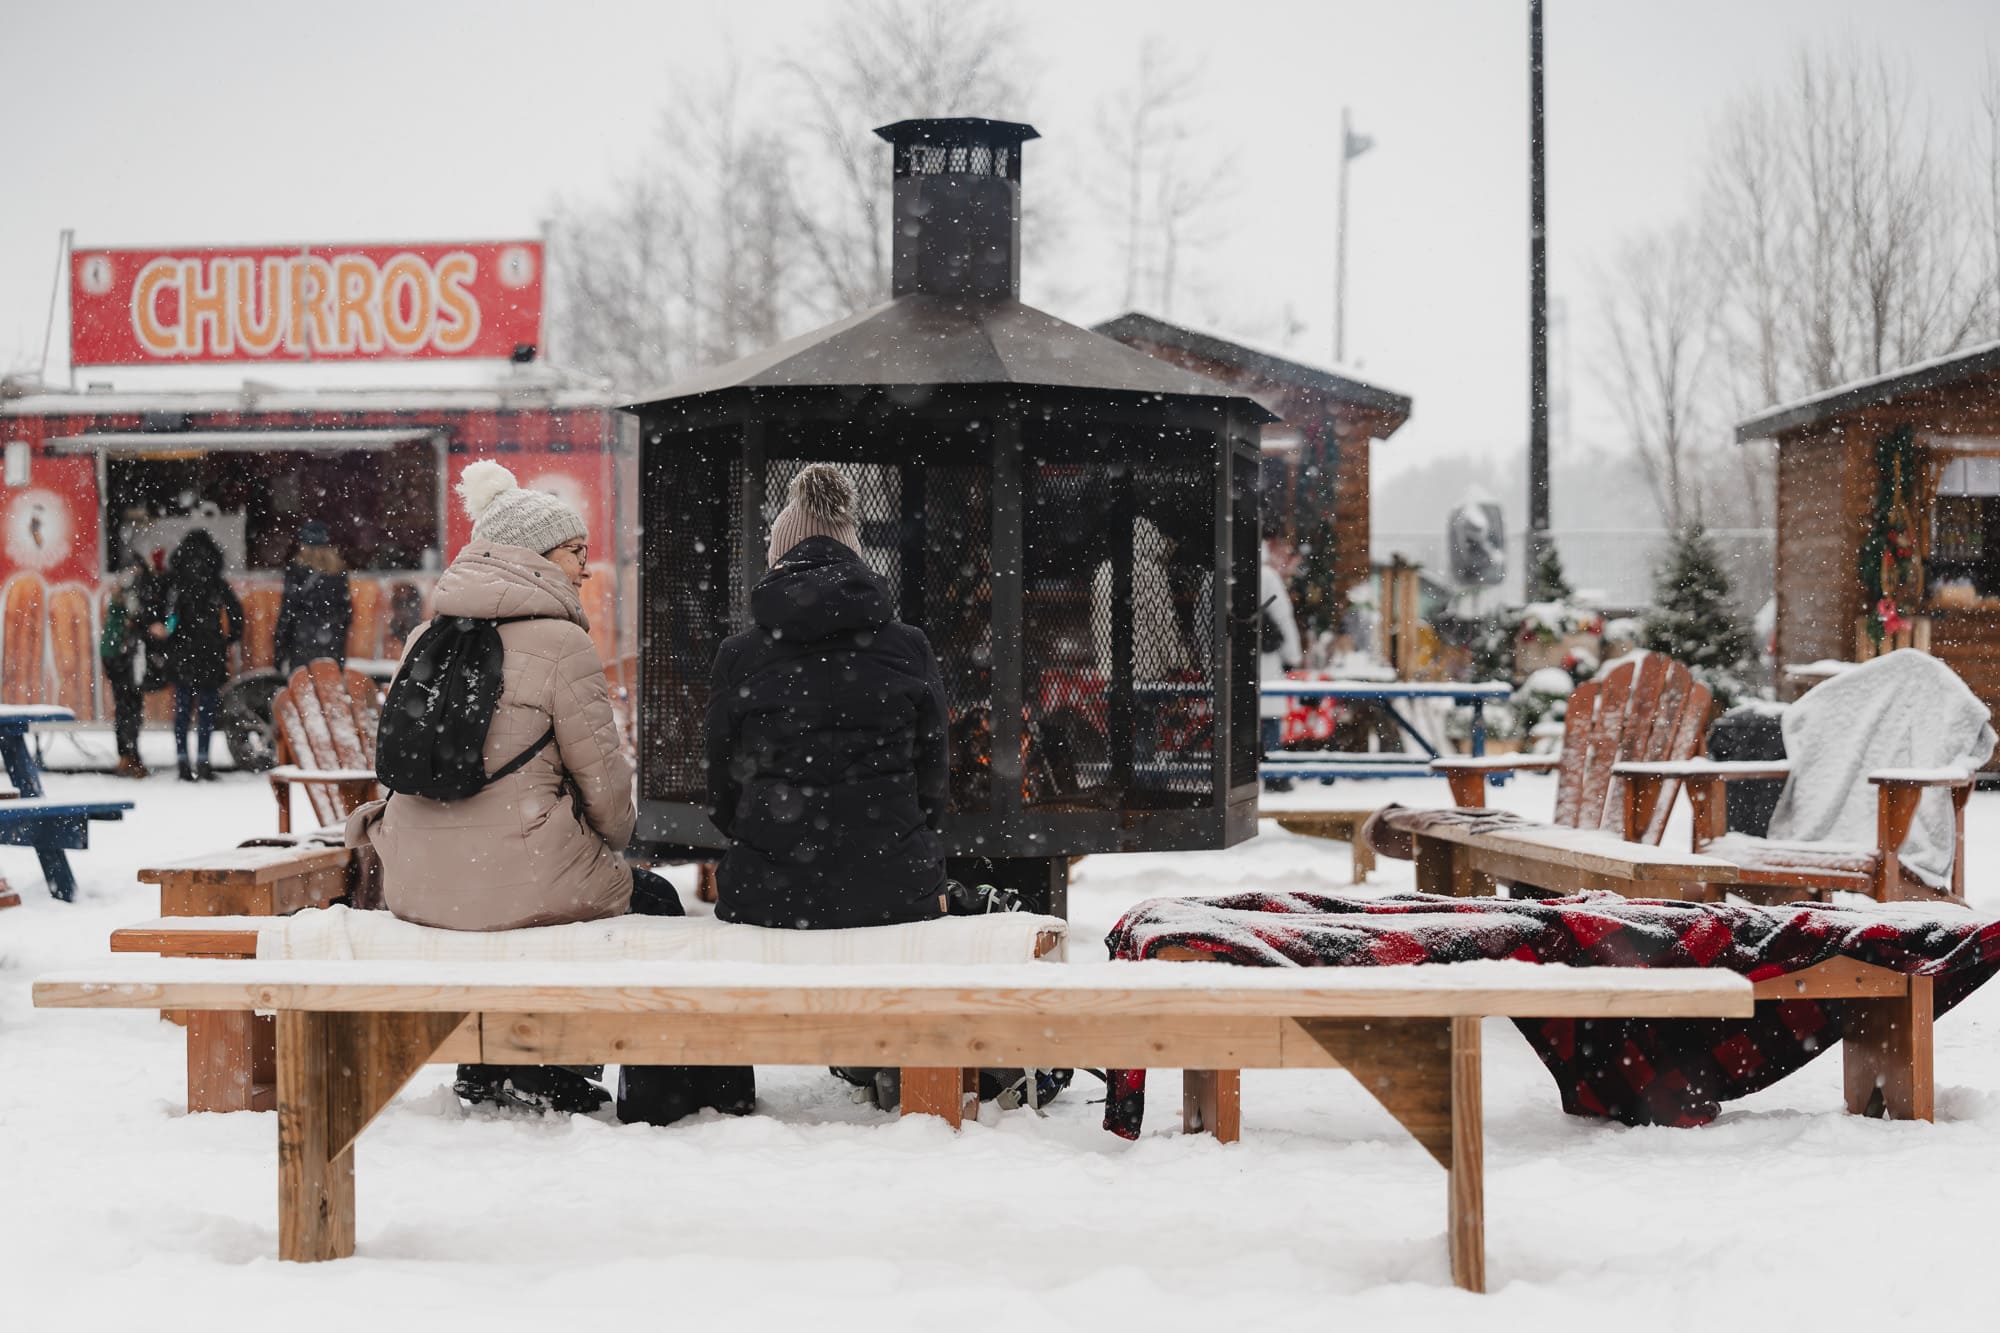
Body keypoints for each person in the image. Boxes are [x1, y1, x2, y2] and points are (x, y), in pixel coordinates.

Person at [348, 460, 749, 1122]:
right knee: (650, 898)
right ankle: (643, 1089)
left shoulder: (426, 635)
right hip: (516, 877)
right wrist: (606, 837)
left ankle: (491, 1062)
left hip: (415, 881)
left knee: (524, 884)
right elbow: (607, 789)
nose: (586, 568)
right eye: (575, 552)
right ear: (533, 556)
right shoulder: (563, 644)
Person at [705, 463, 952, 930]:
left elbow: (721, 784)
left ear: (777, 559)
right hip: (896, 887)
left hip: (767, 894)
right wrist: (899, 838)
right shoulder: (910, 646)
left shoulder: (738, 655)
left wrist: (765, 839)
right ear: (855, 555)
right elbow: (934, 776)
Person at [146, 529, 244, 782]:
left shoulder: (174, 581)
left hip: (181, 652)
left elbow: (159, 613)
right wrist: (228, 638)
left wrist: (163, 640)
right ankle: (203, 761)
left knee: (182, 710)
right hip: (210, 651)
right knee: (206, 711)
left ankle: (182, 762)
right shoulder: (216, 582)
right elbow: (236, 614)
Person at [98, 553, 156, 778]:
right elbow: (134, 617)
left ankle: (126, 755)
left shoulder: (119, 589)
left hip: (113, 652)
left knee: (124, 706)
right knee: (130, 706)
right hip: (123, 654)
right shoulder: (132, 589)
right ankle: (131, 756)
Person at [271, 520, 352, 674]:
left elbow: (288, 610)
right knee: (330, 685)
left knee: (304, 685)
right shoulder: (338, 570)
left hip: (303, 643)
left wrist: (280, 651)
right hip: (332, 643)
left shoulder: (296, 569)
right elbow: (346, 613)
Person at [1258, 541, 1304, 793]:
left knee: (1233, 723)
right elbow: (1283, 618)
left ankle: (1233, 775)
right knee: (1269, 721)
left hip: (1229, 663)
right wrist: (1292, 656)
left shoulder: (1219, 575)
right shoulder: (1267, 577)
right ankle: (1274, 773)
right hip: (1266, 662)